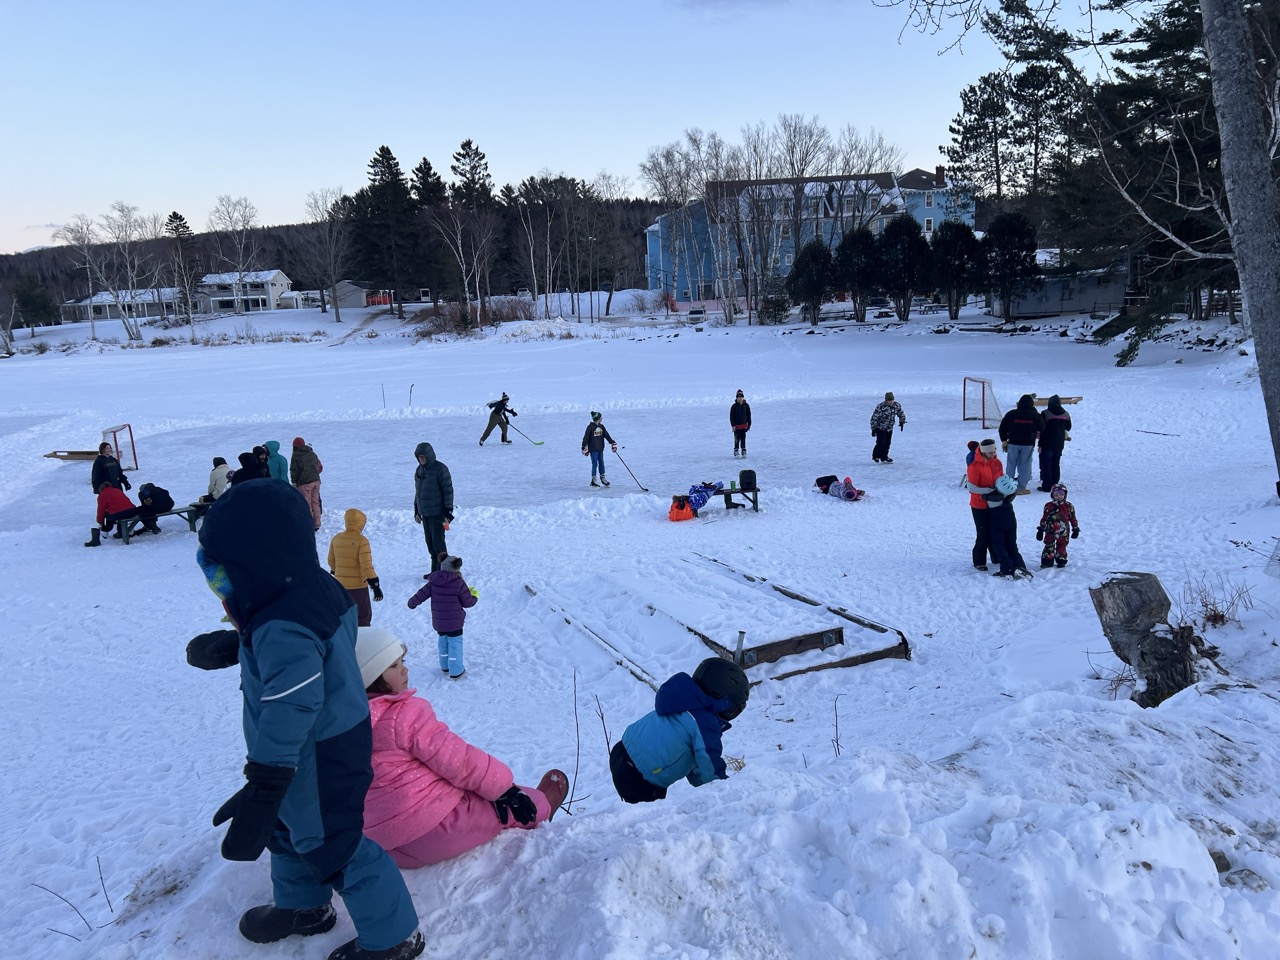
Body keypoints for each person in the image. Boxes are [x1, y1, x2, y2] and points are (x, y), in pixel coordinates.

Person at [187, 480, 424, 960]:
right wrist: (243, 645)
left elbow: (292, 701)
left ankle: (394, 937)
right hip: (314, 743)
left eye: (220, 576)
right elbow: (319, 649)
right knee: (285, 828)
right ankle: (303, 907)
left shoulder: (282, 626)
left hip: (316, 751)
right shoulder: (312, 586)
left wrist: (266, 783)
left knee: (332, 842)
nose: (219, 589)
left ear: (254, 565)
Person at [356, 627, 567, 868]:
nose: (405, 669)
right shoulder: (403, 716)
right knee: (507, 806)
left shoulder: (345, 721)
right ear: (371, 675)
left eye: (402, 661)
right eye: (393, 666)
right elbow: (458, 760)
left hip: (386, 842)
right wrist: (504, 790)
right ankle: (543, 807)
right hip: (436, 829)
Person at [610, 657, 749, 804]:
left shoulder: (683, 700)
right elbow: (710, 762)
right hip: (639, 778)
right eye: (737, 708)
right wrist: (727, 789)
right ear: (724, 701)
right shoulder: (704, 722)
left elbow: (692, 756)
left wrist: (699, 778)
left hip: (621, 750)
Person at [407, 553, 476, 679]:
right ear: (457, 567)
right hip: (455, 622)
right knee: (455, 645)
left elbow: (420, 594)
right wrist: (474, 597)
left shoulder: (433, 581)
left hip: (439, 621)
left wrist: (412, 603)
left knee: (443, 643)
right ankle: (456, 671)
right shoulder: (458, 583)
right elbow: (468, 602)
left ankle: (445, 666)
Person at [328, 509, 383, 627]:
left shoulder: (336, 538)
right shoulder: (362, 541)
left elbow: (331, 561)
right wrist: (375, 585)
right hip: (358, 588)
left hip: (340, 586)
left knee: (343, 615)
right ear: (360, 523)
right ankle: (362, 641)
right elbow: (366, 565)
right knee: (362, 617)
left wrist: (336, 571)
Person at [413, 442, 454, 575]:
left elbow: (448, 490)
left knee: (438, 544)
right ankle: (435, 572)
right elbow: (418, 492)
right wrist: (416, 510)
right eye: (419, 457)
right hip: (426, 514)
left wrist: (448, 510)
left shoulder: (440, 469)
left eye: (423, 457)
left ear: (429, 456)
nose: (421, 459)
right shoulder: (419, 470)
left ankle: (445, 572)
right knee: (430, 544)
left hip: (437, 514)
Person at [984, 474, 1032, 578]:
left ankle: (1006, 569)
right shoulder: (1010, 496)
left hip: (997, 524)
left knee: (999, 546)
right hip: (1011, 522)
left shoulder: (992, 498)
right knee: (1012, 546)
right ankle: (1020, 566)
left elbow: (986, 496)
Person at [965, 438, 1003, 571]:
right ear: (983, 452)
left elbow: (1001, 479)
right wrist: (987, 492)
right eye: (990, 452)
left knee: (995, 530)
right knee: (983, 533)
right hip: (979, 504)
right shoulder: (974, 466)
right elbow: (972, 487)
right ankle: (979, 560)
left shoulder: (997, 463)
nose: (993, 454)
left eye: (994, 451)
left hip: (994, 502)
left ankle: (996, 556)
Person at [998, 394, 1044, 495]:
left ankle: (1008, 487)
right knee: (1025, 465)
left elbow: (1002, 428)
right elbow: (1042, 429)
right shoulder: (1036, 415)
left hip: (1013, 443)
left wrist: (1004, 440)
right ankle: (1021, 488)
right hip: (1028, 444)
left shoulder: (1011, 414)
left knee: (1011, 464)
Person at [1037, 483, 1081, 568]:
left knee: (1062, 544)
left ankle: (1061, 559)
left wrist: (1075, 528)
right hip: (1051, 529)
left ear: (1065, 495)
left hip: (1064, 530)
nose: (1059, 496)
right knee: (1049, 544)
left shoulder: (1069, 506)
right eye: (1056, 494)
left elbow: (1073, 518)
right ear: (1052, 495)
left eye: (1061, 494)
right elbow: (1045, 517)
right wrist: (1041, 528)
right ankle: (1047, 560)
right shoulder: (1048, 506)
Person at [1037, 395, 1072, 492]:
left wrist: (1040, 444)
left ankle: (1047, 486)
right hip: (1059, 444)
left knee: (1046, 464)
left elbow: (1041, 428)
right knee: (1056, 463)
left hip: (1046, 443)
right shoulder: (1066, 414)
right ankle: (1055, 484)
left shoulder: (1045, 413)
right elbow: (1068, 427)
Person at [290, 437, 323, 531]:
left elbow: (294, 470)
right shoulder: (312, 453)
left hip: (305, 483)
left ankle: (308, 523)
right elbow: (317, 467)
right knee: (315, 502)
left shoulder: (296, 456)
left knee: (306, 503)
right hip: (316, 481)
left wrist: (294, 482)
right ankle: (317, 523)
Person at [581, 411, 617, 488]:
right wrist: (584, 446)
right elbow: (586, 437)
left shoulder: (601, 427)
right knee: (594, 463)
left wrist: (612, 442)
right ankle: (593, 479)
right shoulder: (590, 427)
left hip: (600, 448)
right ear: (597, 418)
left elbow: (606, 435)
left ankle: (603, 477)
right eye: (600, 417)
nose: (602, 418)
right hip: (593, 449)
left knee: (601, 462)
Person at [870, 391, 907, 464]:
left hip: (889, 428)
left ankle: (884, 457)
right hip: (880, 428)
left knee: (887, 443)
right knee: (881, 443)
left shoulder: (896, 405)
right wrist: (874, 429)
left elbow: (901, 413)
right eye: (889, 400)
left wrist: (902, 421)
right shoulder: (881, 406)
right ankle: (876, 456)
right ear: (886, 400)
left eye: (892, 400)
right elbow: (874, 417)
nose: (891, 402)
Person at [729, 389, 751, 458]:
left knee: (743, 439)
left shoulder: (746, 405)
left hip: (744, 426)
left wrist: (749, 425)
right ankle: (736, 451)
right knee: (737, 439)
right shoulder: (734, 406)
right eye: (738, 397)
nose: (740, 398)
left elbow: (749, 415)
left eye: (741, 397)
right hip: (737, 426)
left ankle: (743, 451)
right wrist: (733, 425)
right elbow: (731, 417)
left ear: (743, 397)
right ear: (736, 398)